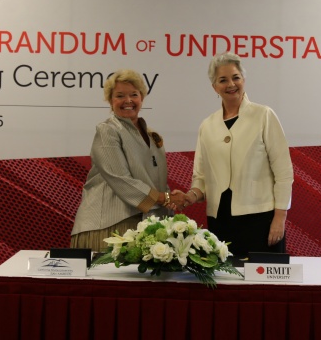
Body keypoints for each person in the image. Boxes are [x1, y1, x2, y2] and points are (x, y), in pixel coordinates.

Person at [180, 52, 294, 258]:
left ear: (244, 80)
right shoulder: (207, 125)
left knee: (263, 287)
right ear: (214, 87)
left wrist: (280, 217)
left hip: (262, 219)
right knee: (226, 286)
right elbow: (201, 177)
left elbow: (284, 173)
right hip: (220, 221)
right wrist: (191, 196)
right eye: (223, 80)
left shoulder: (263, 115)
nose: (231, 84)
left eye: (236, 77)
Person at [71, 69, 185, 252]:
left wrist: (171, 198)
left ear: (142, 98)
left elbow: (157, 183)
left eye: (134, 94)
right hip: (109, 226)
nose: (128, 101)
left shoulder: (152, 135)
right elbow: (120, 178)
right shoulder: (107, 130)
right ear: (110, 100)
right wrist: (166, 198)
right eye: (120, 96)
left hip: (143, 224)